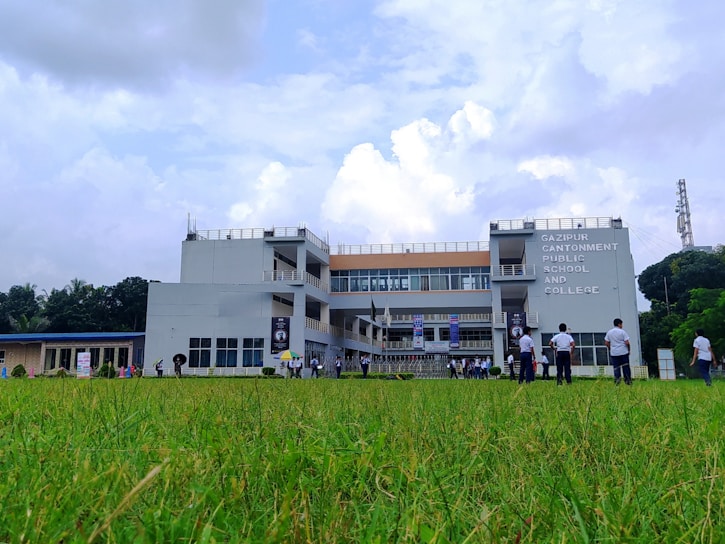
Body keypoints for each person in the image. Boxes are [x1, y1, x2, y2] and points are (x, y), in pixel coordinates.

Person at [605, 318, 632, 385]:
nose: (622, 325)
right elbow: (627, 342)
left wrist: (610, 348)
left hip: (614, 353)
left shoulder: (609, 332)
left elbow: (606, 342)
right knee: (625, 367)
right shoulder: (622, 332)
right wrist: (628, 350)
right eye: (621, 324)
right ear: (619, 324)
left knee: (616, 368)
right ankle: (628, 381)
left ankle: (617, 381)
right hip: (623, 352)